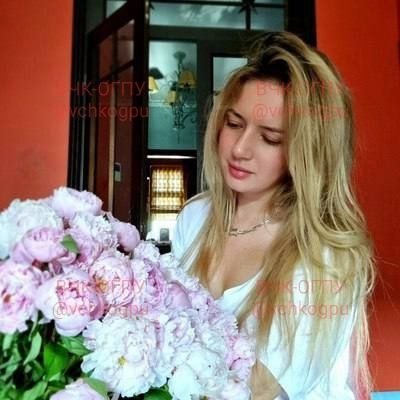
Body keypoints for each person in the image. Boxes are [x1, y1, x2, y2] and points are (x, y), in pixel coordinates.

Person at [171, 31, 375, 399]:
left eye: (270, 138)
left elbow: (255, 390)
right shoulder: (195, 217)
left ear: (306, 152)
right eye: (234, 123)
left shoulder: (323, 256)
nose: (240, 148)